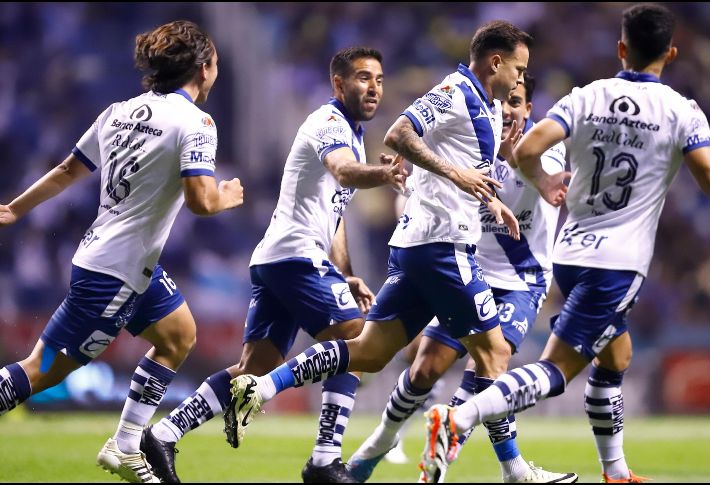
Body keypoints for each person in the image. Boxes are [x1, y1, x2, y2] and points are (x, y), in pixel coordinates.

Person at [420, 4, 710, 483]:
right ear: (672, 53)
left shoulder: (586, 95)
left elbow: (529, 148)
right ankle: (458, 418)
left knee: (616, 356)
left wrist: (547, 180)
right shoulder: (682, 110)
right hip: (616, 264)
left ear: (621, 49)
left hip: (570, 253)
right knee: (555, 371)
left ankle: (615, 471)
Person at [226, 20, 533, 483]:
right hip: (441, 245)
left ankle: (264, 385)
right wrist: (458, 175)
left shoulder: (488, 109)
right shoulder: (456, 91)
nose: (519, 79)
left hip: (423, 246)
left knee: (367, 352)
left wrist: (490, 199)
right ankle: (515, 473)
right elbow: (399, 133)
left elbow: (467, 173)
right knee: (493, 353)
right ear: (496, 62)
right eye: (518, 68)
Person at [141, 46, 406, 484]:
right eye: (362, 77)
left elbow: (333, 215)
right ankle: (324, 459)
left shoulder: (354, 134)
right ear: (338, 84)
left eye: (378, 78)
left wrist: (346, 273)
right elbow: (343, 172)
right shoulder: (328, 123)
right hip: (295, 256)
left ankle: (164, 434)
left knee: (253, 367)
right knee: (357, 339)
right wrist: (384, 174)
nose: (373, 87)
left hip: (278, 258)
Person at [0, 20, 244, 484]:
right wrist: (226, 196)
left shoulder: (119, 111)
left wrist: (15, 209)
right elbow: (200, 200)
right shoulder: (198, 122)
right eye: (214, 62)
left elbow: (68, 169)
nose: (216, 71)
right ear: (203, 68)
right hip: (116, 275)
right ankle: (125, 444)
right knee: (39, 372)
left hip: (116, 261)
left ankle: (126, 445)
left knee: (178, 335)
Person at [347, 73, 577, 484]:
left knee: (491, 361)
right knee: (423, 370)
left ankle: (473, 467)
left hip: (522, 280)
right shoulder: (475, 142)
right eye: (503, 100)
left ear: (529, 110)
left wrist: (513, 158)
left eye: (517, 101)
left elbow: (540, 182)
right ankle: (378, 446)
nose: (507, 108)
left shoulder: (546, 148)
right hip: (470, 270)